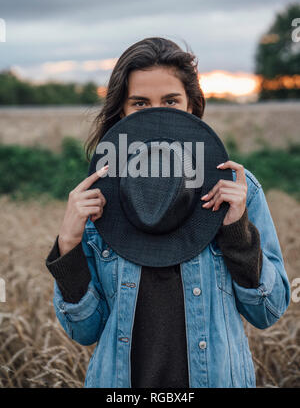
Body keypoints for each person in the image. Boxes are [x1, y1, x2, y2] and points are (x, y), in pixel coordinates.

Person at [45, 37, 290, 388]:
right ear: (122, 112)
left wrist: (238, 233)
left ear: (192, 106)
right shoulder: (99, 198)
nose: (157, 115)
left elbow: (268, 311)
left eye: (171, 101)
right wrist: (68, 243)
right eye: (140, 103)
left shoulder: (236, 189)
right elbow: (84, 331)